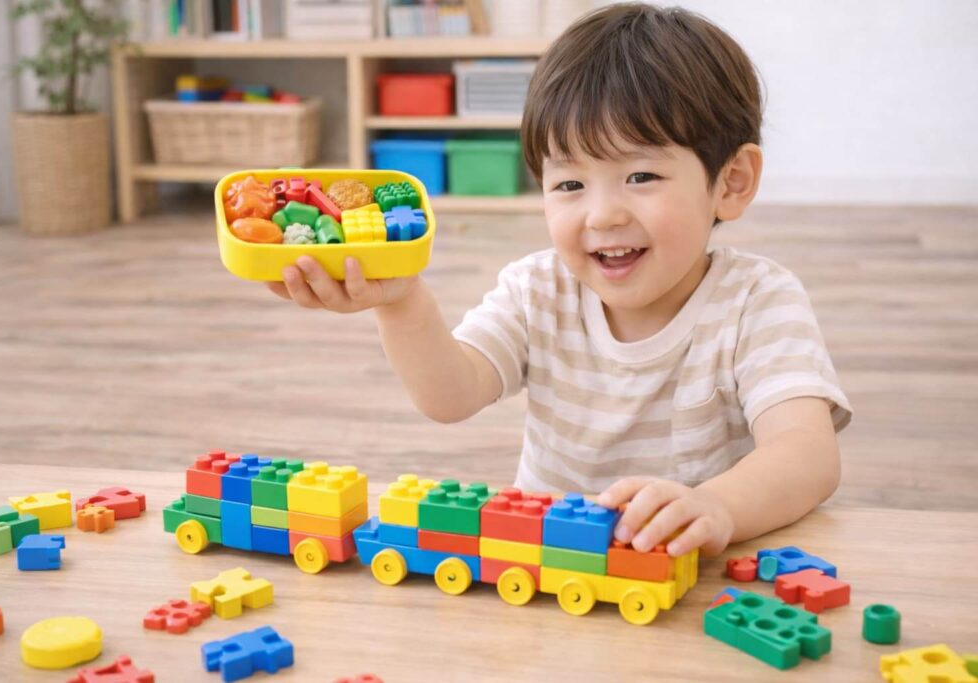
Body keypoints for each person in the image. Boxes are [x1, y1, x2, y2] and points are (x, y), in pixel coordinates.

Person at [267, 3, 852, 558]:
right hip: (547, 567)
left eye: (641, 175)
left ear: (731, 182)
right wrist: (401, 303)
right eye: (570, 185)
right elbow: (450, 396)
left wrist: (717, 506)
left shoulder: (757, 302)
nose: (602, 215)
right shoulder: (536, 289)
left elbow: (806, 453)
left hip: (689, 574)